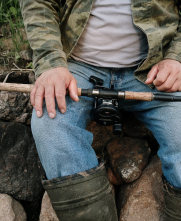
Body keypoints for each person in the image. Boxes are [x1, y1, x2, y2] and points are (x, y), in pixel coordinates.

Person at [20, 0, 181, 220]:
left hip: (158, 68)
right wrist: (51, 63)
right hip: (75, 66)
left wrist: (176, 57)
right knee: (51, 125)